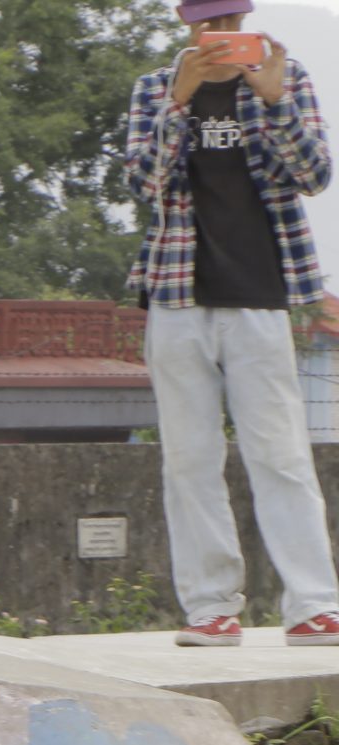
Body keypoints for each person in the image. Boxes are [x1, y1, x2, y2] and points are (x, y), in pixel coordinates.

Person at [125, 0, 339, 646]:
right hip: (176, 294)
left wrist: (272, 99)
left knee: (280, 455)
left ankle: (312, 605)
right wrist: (179, 105)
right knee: (189, 460)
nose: (221, 36)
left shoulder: (284, 76)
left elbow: (315, 175)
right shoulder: (155, 89)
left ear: (245, 21)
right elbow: (143, 182)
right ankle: (211, 608)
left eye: (230, 23)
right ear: (188, 27)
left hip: (261, 294)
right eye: (208, 25)